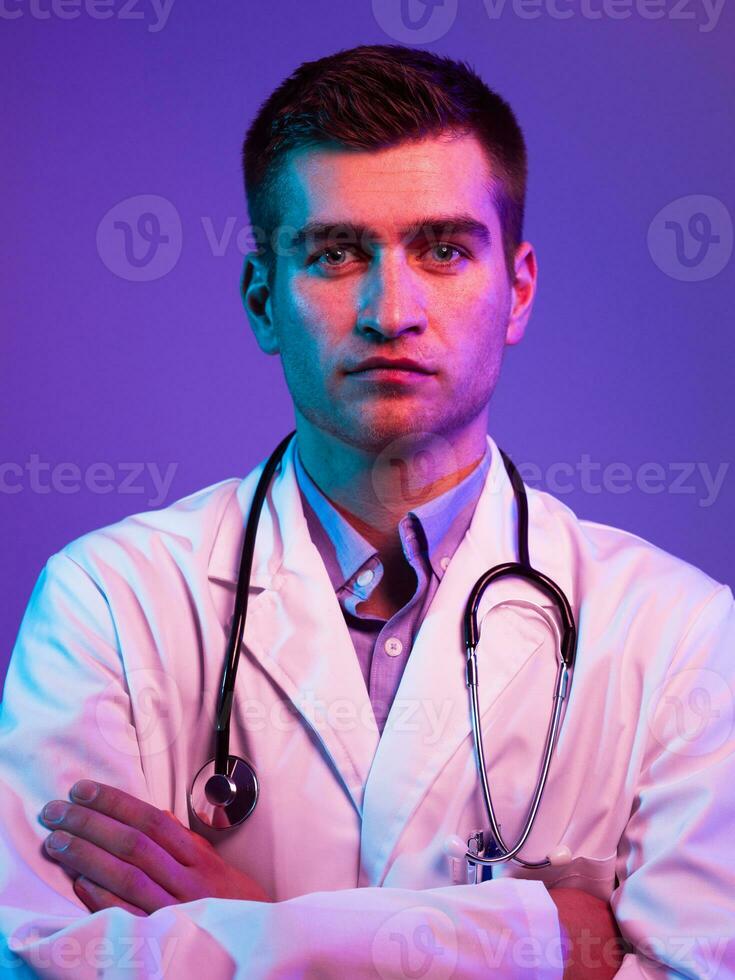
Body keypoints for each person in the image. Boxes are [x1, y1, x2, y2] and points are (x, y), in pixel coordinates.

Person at [1, 43, 733, 979]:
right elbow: (41, 961)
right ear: (264, 300)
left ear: (515, 289)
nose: (391, 311)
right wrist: (546, 939)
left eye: (441, 249)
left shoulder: (677, 633)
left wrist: (250, 928)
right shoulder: (107, 599)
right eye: (337, 253)